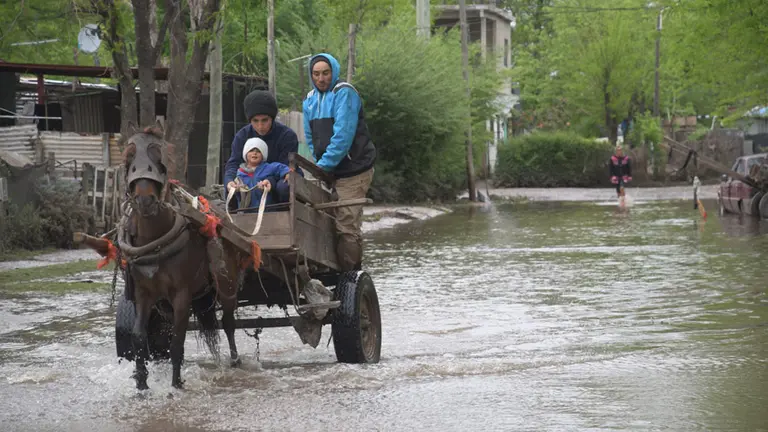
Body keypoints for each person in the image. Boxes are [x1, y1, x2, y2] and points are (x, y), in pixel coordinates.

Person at [302, 53, 376, 271]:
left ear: (333, 72)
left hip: (354, 169)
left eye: (326, 73)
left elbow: (343, 137)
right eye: (316, 74)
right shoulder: (310, 100)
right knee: (320, 218)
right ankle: (327, 268)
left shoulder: (344, 93)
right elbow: (310, 137)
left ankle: (350, 277)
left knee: (346, 225)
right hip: (328, 169)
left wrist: (322, 167)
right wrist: (319, 164)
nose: (321, 78)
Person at [224, 90, 298, 203]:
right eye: (255, 121)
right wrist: (229, 181)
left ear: (272, 118)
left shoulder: (287, 136)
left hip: (278, 177)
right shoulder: (242, 136)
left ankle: (285, 216)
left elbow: (285, 167)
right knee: (231, 190)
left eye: (265, 120)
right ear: (249, 120)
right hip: (250, 177)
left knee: (284, 187)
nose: (260, 126)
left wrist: (269, 181)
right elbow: (233, 163)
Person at [233, 138, 291, 210]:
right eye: (251, 150)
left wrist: (287, 173)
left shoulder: (267, 167)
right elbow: (239, 196)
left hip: (266, 210)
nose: (254, 153)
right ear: (245, 153)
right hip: (246, 211)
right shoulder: (240, 173)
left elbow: (280, 167)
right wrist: (238, 189)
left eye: (258, 151)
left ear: (263, 155)